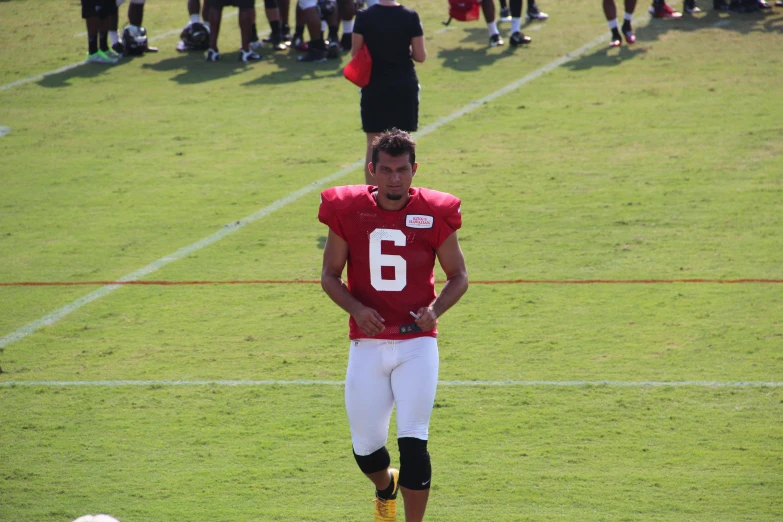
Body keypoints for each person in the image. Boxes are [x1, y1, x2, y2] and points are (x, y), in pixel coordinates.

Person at [318, 129, 469, 522]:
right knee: (366, 449)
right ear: (372, 171)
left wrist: (436, 310)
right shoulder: (348, 210)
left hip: (417, 342)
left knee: (414, 440)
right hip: (367, 343)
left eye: (402, 170)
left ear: (414, 170)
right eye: (386, 170)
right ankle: (386, 486)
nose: (394, 179)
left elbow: (459, 276)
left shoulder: (434, 212)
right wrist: (356, 308)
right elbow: (330, 274)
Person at [352, 0, 425, 184]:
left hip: (374, 85)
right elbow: (420, 56)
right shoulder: (410, 16)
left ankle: (372, 197)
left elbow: (355, 52)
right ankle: (402, 197)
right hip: (403, 85)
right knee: (404, 146)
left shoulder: (364, 16)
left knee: (373, 144)